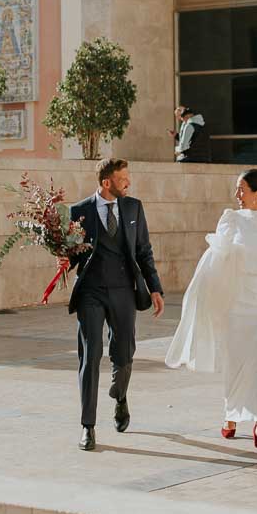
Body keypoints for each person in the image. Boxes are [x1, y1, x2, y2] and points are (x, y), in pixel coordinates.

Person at [164, 168, 257, 452]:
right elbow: (217, 258)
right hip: (237, 301)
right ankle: (231, 414)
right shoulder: (232, 220)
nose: (237, 195)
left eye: (242, 190)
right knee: (235, 362)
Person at [59, 158, 164, 450]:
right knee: (90, 355)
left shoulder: (133, 208)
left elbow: (144, 251)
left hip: (123, 292)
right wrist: (65, 260)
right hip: (91, 292)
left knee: (124, 352)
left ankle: (119, 395)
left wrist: (155, 288)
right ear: (107, 183)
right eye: (123, 179)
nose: (128, 183)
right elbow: (73, 253)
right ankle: (87, 426)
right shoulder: (79, 211)